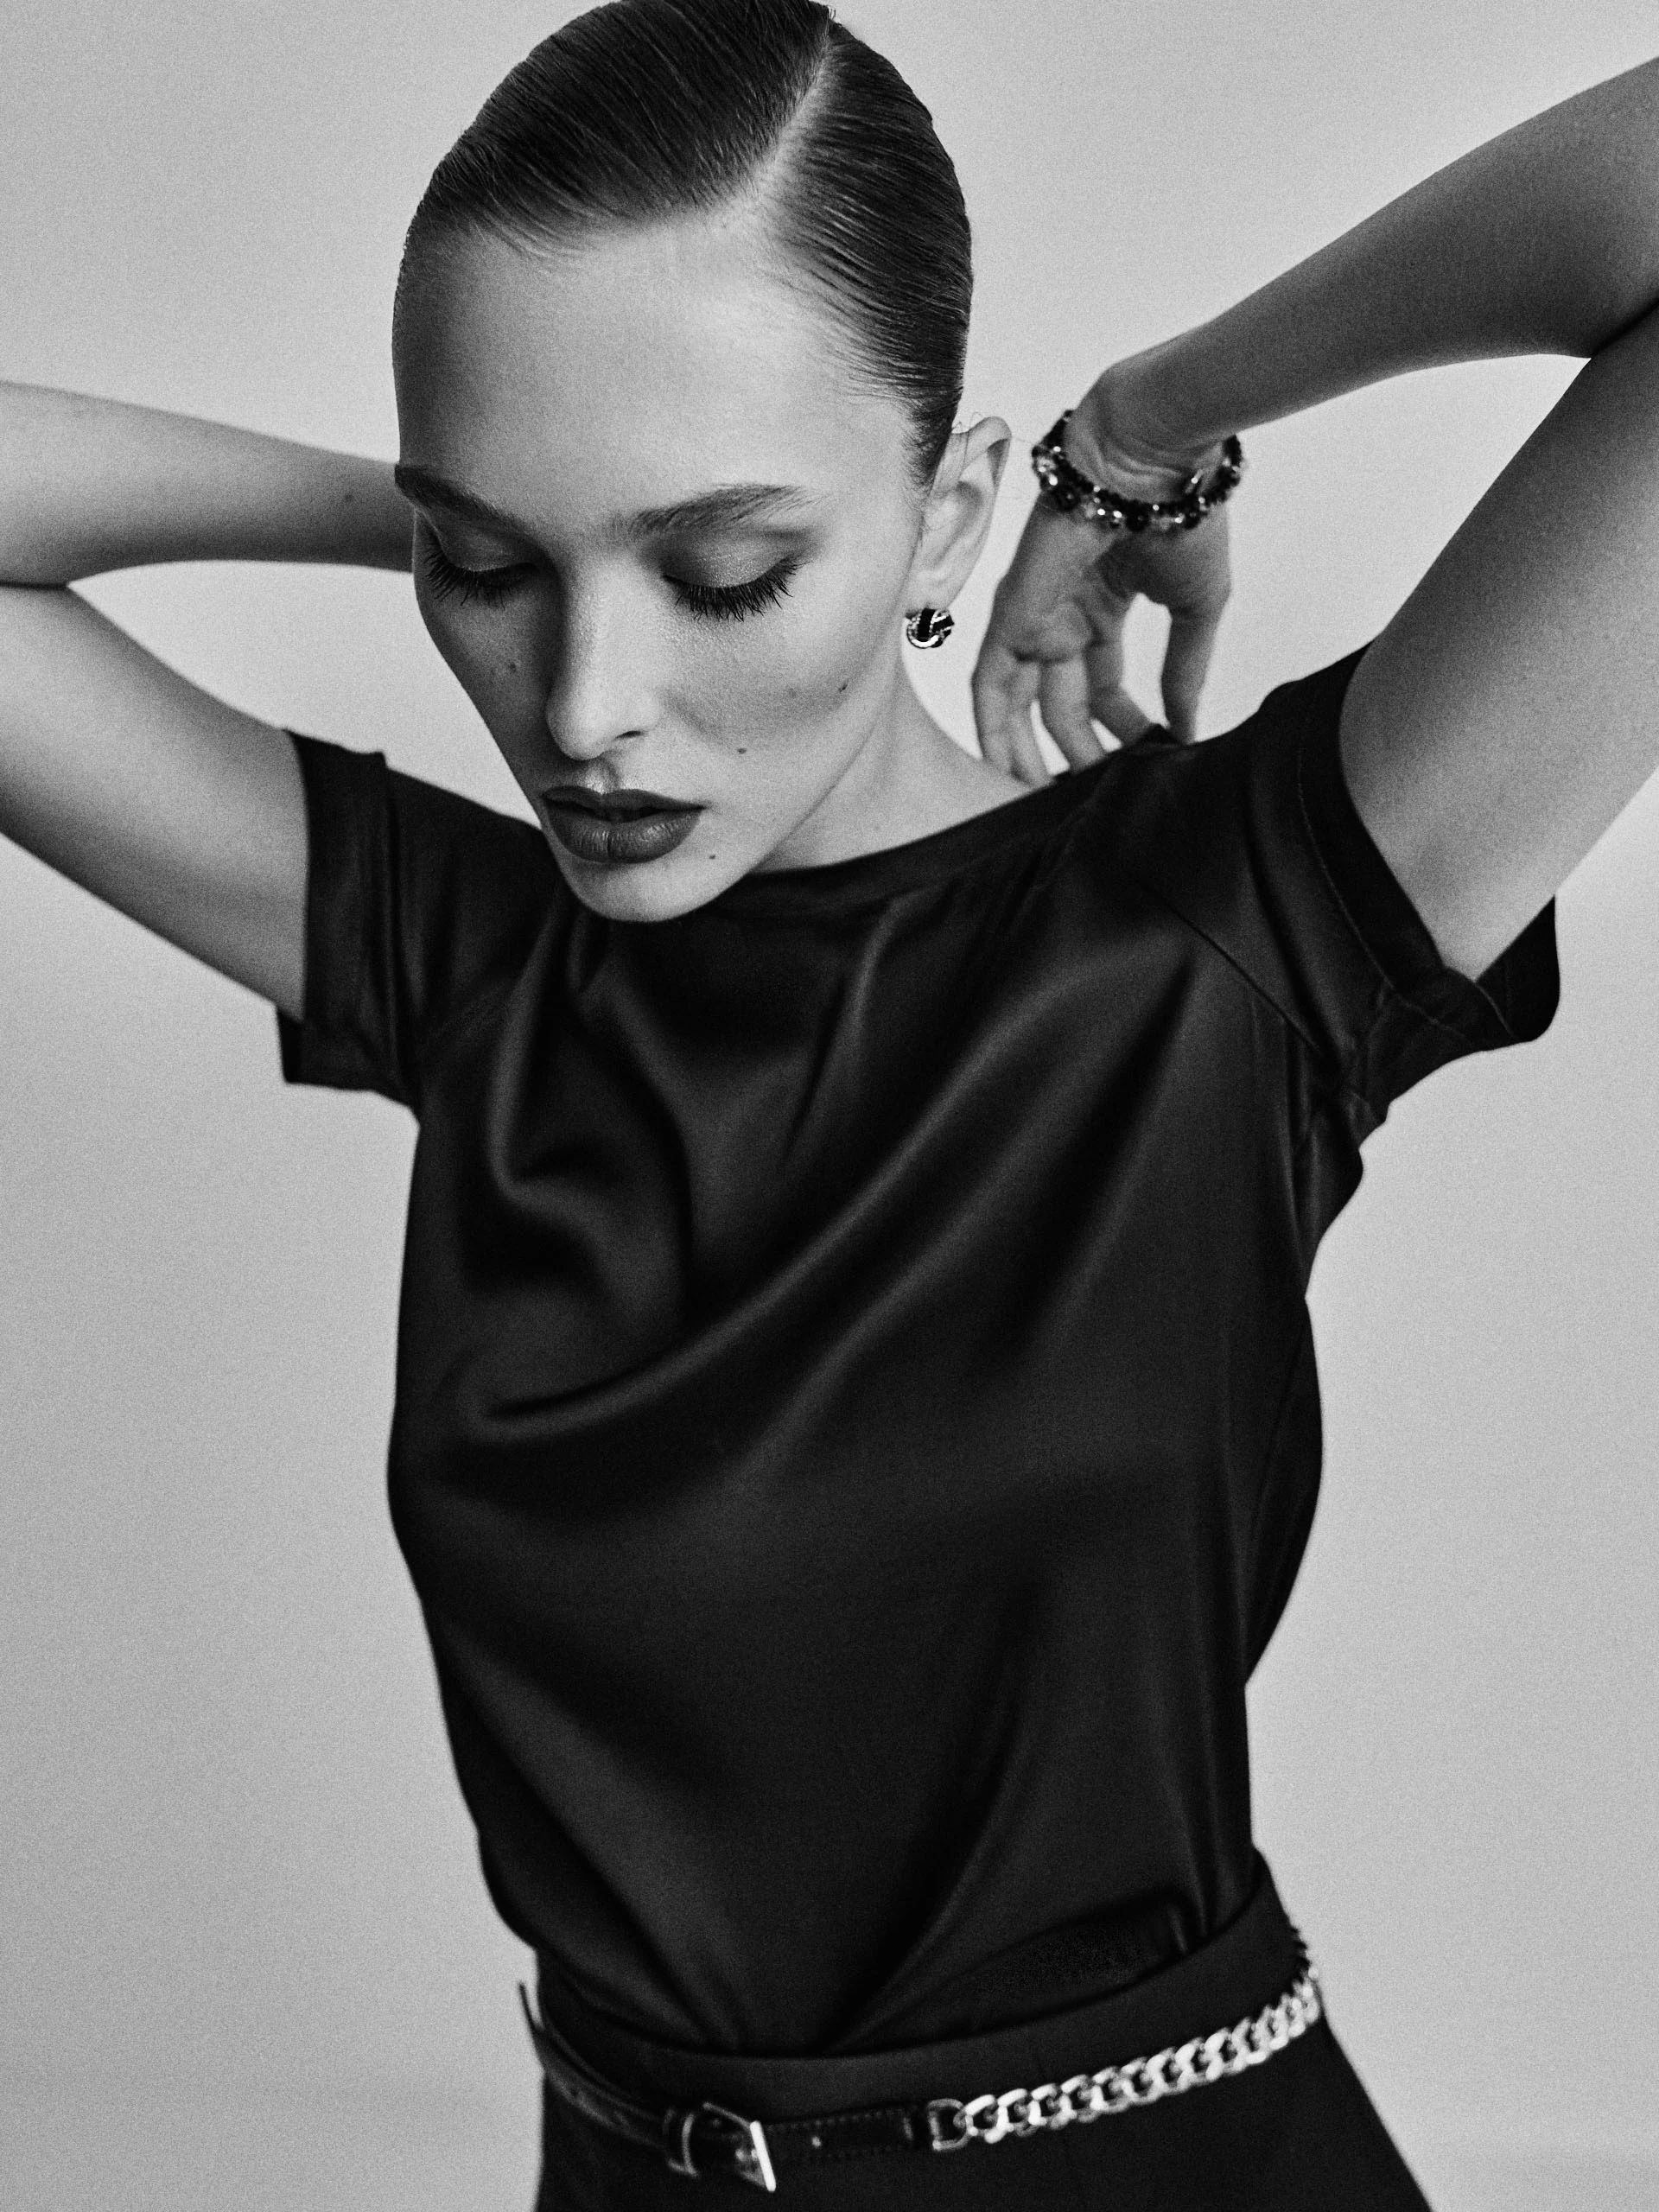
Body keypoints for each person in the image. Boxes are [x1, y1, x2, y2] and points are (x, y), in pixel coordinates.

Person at [3, 1, 1655, 2202]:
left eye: (723, 570)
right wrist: (445, 503)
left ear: (942, 512)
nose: (587, 707)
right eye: (491, 579)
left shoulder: (1230, 936)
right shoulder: (479, 967)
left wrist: (1153, 421)